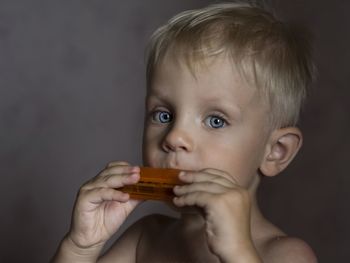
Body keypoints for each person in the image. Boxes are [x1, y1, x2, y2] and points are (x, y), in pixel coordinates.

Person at [52, 2, 317, 262]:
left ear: (275, 152)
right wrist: (80, 247)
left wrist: (237, 253)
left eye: (215, 120)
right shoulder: (144, 239)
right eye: (163, 115)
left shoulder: (286, 254)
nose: (173, 137)